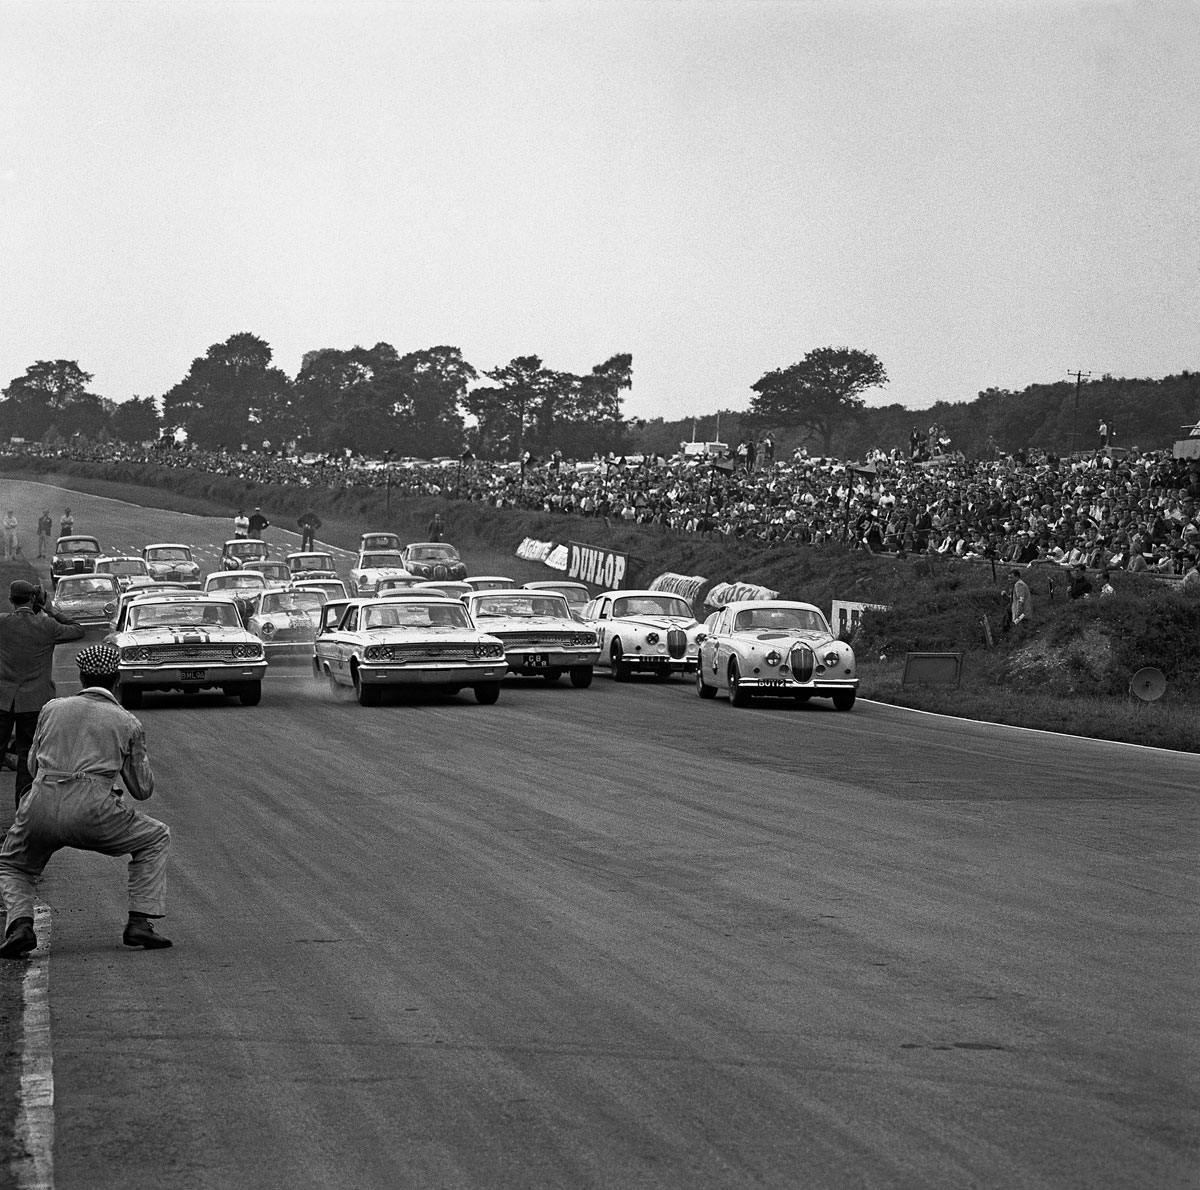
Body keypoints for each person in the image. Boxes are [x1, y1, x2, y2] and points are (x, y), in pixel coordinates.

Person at [0, 644, 171, 958]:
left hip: (41, 803)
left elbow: (32, 768)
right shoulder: (127, 722)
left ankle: (21, 925)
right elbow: (142, 789)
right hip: (93, 809)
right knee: (156, 836)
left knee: (12, 864)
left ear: (80, 677)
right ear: (117, 680)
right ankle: (139, 922)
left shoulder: (51, 708)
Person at [0, 581, 84, 809]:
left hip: (4, 700)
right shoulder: (47, 625)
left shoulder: (3, 623)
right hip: (34, 702)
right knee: (28, 758)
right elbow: (78, 629)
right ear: (34, 600)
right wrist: (50, 609)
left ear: (11, 600)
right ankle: (23, 812)